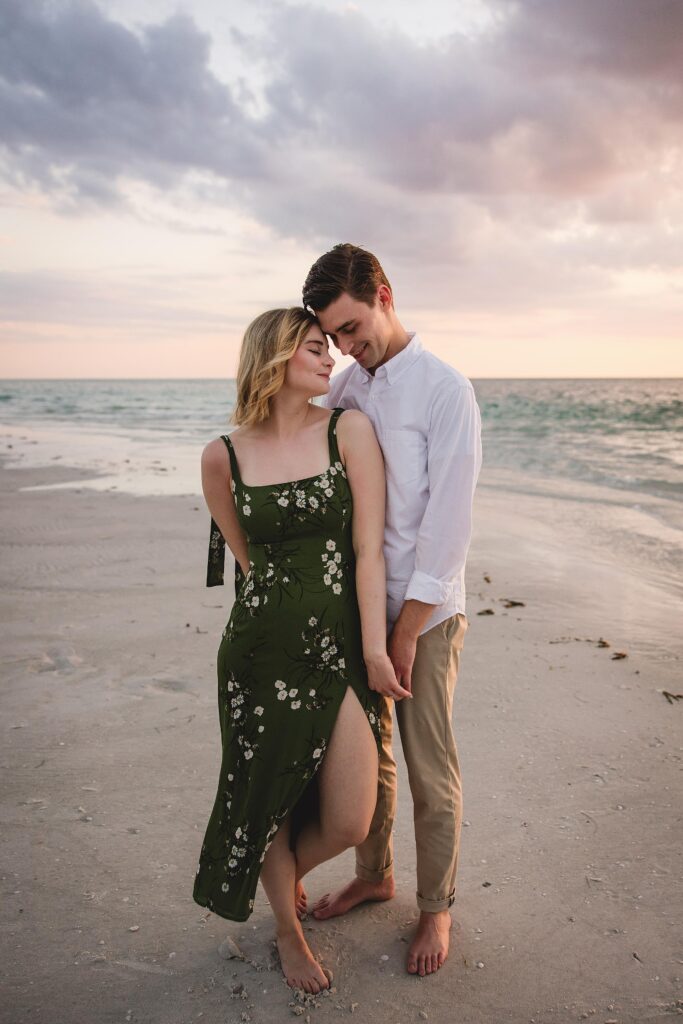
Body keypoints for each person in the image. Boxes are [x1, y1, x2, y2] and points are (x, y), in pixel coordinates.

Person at [193, 307, 403, 995]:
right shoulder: (222, 455)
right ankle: (287, 928)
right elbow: (247, 564)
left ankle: (282, 876)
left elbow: (368, 550)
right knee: (267, 804)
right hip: (259, 655)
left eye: (331, 347)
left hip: (340, 648)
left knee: (349, 817)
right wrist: (278, 626)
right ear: (276, 355)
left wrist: (373, 648)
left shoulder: (349, 430)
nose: (332, 359)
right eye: (316, 348)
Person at [302, 244, 482, 978]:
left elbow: (448, 525)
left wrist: (407, 629)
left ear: (382, 292)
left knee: (427, 765)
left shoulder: (445, 389)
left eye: (351, 326)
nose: (347, 346)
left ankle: (434, 905)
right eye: (334, 336)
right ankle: (375, 874)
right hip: (360, 611)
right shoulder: (349, 389)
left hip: (427, 615)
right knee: (366, 758)